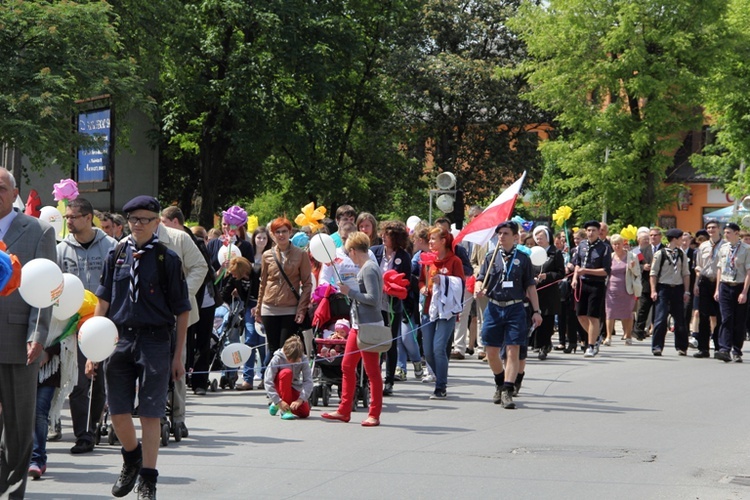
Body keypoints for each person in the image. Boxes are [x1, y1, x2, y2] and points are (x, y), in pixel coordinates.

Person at [95, 195, 191, 499]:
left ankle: (148, 478)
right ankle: (132, 457)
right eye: (134, 219)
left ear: (156, 222)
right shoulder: (117, 254)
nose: (138, 225)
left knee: (151, 413)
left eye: (145, 220)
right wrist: (95, 345)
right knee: (118, 412)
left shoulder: (167, 259)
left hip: (155, 340)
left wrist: (177, 356)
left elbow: (182, 311)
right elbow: (103, 301)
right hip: (120, 338)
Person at [0, 167, 56, 499]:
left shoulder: (37, 231)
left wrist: (38, 334)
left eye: (1, 188)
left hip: (19, 340)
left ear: (14, 192)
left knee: (20, 426)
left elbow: (46, 288)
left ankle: (13, 490)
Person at [56, 198, 117, 456]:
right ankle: (83, 435)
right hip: (74, 325)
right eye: (66, 217)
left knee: (101, 381)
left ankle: (93, 427)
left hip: (105, 323)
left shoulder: (111, 247)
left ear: (88, 217)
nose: (68, 221)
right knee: (80, 382)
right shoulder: (61, 250)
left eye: (73, 216)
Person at [477, 221, 542, 409]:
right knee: (491, 350)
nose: (501, 236)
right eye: (499, 233)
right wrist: (478, 288)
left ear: (515, 237)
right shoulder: (491, 257)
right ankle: (499, 380)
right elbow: (481, 279)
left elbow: (530, 286)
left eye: (505, 233)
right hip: (495, 307)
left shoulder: (523, 258)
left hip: (515, 308)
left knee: (513, 349)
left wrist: (536, 312)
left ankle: (507, 389)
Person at [321, 232, 384, 426]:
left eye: (349, 253)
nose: (349, 257)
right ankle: (344, 409)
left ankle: (374, 413)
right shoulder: (366, 267)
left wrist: (350, 293)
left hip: (369, 326)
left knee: (372, 371)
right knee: (347, 366)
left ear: (354, 251)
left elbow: (374, 299)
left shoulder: (369, 269)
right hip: (358, 325)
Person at [156, 213, 208, 439]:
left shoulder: (180, 238)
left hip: (177, 313)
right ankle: (154, 413)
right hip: (148, 314)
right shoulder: (130, 241)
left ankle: (178, 417)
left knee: (177, 362)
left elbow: (200, 266)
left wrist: (182, 294)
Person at [255, 217, 312, 365]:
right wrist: (259, 308)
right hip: (269, 306)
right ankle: (273, 384)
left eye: (284, 231)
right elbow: (263, 283)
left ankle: (285, 383)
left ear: (290, 232)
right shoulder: (267, 255)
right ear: (273, 234)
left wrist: (302, 309)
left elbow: (307, 284)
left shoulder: (300, 254)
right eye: (277, 232)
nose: (281, 235)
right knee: (273, 349)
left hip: (290, 307)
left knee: (285, 349)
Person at [419, 227, 465, 400]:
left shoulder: (455, 261)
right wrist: (423, 287)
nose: (430, 242)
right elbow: (421, 280)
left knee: (439, 348)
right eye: (429, 239)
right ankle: (440, 374)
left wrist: (444, 280)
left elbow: (460, 283)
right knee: (428, 350)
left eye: (433, 239)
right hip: (428, 309)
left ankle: (441, 386)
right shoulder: (427, 260)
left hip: (446, 311)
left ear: (443, 241)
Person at [371, 220, 412, 395]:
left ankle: (389, 381)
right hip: (374, 303)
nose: (383, 237)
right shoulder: (375, 252)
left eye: (387, 235)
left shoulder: (403, 256)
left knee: (391, 342)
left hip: (392, 305)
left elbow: (407, 282)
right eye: (383, 234)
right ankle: (374, 378)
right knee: (374, 342)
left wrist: (394, 286)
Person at [220, 257, 264, 391]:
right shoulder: (235, 278)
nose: (233, 275)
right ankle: (247, 379)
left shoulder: (258, 271)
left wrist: (259, 306)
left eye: (234, 273)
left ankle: (266, 377)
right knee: (250, 342)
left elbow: (267, 290)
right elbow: (224, 294)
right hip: (248, 307)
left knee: (263, 343)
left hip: (264, 306)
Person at [572, 221, 612, 357]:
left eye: (593, 230)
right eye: (588, 230)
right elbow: (576, 264)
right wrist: (574, 278)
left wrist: (587, 271)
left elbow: (606, 271)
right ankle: (595, 337)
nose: (591, 233)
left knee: (592, 315)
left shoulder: (605, 248)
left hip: (596, 284)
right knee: (580, 315)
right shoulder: (581, 245)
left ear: (598, 232)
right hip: (581, 284)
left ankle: (590, 345)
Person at [650, 228, 690, 356]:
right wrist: (653, 290)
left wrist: (687, 291)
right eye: (680, 238)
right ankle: (657, 346)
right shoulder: (660, 254)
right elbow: (653, 273)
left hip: (677, 288)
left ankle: (682, 346)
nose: (682, 241)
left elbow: (686, 273)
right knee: (660, 319)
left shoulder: (681, 254)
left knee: (679, 320)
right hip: (663, 288)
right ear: (674, 239)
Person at [713, 223, 750, 362]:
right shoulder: (723, 248)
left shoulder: (746, 249)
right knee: (726, 318)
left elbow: (748, 271)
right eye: (725, 232)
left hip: (740, 286)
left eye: (728, 232)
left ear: (736, 233)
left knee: (739, 320)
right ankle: (724, 349)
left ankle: (737, 349)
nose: (726, 235)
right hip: (725, 285)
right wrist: (717, 288)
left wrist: (744, 292)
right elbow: (719, 269)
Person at [530, 226, 565, 359]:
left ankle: (545, 345)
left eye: (542, 238)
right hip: (535, 290)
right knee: (535, 317)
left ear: (548, 238)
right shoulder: (532, 252)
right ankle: (537, 344)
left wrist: (547, 275)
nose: (539, 240)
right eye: (537, 238)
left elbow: (561, 273)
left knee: (547, 319)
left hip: (549, 291)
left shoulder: (555, 253)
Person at [693, 220, 723, 358]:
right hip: (705, 282)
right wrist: (696, 284)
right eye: (709, 228)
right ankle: (703, 348)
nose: (711, 230)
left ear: (719, 229)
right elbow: (698, 266)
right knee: (703, 315)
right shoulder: (703, 246)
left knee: (719, 316)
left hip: (720, 282)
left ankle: (719, 347)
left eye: (713, 227)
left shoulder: (725, 245)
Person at [264, 336, 313, 420]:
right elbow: (268, 381)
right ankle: (284, 410)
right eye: (288, 358)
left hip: (293, 386)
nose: (290, 361)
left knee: (305, 413)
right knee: (286, 372)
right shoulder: (277, 358)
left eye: (294, 360)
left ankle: (276, 404)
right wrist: (279, 401)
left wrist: (301, 399)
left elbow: (308, 381)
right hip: (279, 385)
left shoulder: (303, 359)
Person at [604, 234, 640, 345]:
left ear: (622, 244)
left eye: (618, 244)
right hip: (611, 289)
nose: (616, 246)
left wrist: (632, 267)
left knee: (627, 313)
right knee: (609, 312)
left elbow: (637, 273)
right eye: (614, 244)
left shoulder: (632, 256)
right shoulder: (609, 257)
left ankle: (628, 336)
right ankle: (608, 337)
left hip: (626, 289)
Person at [633, 227, 663, 339]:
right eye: (651, 235)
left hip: (660, 283)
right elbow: (635, 265)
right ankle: (639, 331)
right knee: (643, 309)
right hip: (646, 283)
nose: (653, 238)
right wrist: (642, 267)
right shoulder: (642, 250)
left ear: (660, 236)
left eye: (655, 235)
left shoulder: (665, 249)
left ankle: (656, 330)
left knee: (659, 309)